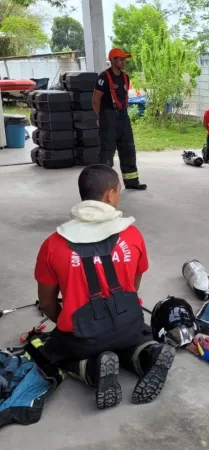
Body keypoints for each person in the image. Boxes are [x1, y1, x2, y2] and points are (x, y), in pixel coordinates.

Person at [34, 164, 175, 409]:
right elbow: (133, 285)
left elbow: (46, 302)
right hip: (128, 325)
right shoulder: (132, 235)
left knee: (53, 351)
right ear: (110, 194)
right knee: (132, 340)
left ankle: (94, 369)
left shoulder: (53, 245)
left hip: (83, 335)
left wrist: (69, 322)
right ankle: (148, 354)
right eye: (118, 190)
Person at [93, 48, 146, 190]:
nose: (123, 62)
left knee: (128, 149)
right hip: (108, 117)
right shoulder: (103, 77)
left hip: (123, 117)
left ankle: (132, 182)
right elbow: (95, 100)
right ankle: (103, 186)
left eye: (124, 60)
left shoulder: (125, 77)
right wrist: (102, 117)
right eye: (121, 59)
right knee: (107, 152)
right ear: (113, 60)